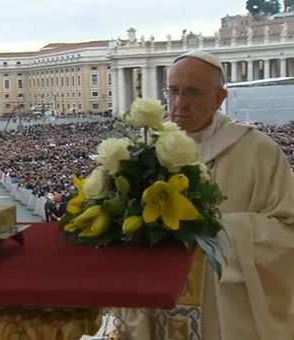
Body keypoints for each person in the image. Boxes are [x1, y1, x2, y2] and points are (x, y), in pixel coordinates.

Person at [120, 51, 294, 340]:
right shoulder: (147, 150)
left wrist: (217, 230)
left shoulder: (256, 151)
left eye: (192, 92)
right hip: (160, 300)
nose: (178, 103)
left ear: (218, 98)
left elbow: (288, 232)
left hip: (226, 309)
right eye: (173, 91)